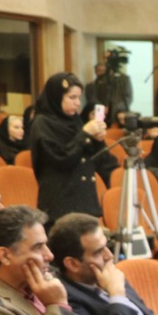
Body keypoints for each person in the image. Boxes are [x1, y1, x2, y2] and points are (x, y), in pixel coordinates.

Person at [30, 72, 106, 223]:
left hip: (85, 200)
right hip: (60, 202)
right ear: (56, 97)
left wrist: (98, 140)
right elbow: (60, 158)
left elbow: (95, 160)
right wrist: (85, 134)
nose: (77, 103)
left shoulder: (75, 121)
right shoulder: (42, 123)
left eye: (79, 98)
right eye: (72, 97)